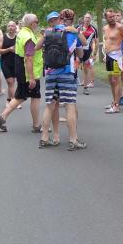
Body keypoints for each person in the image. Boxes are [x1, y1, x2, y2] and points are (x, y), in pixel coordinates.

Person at [38, 9, 86, 150]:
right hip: (67, 72)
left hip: (50, 73)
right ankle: (73, 140)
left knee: (50, 105)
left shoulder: (48, 32)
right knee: (70, 105)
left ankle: (45, 138)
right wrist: (77, 32)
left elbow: (36, 47)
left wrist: (45, 35)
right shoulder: (71, 32)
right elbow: (81, 51)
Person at [0, 13, 42, 132]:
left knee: (20, 96)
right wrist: (31, 77)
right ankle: (36, 125)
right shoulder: (29, 37)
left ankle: (2, 117)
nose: (38, 23)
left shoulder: (21, 33)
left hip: (21, 70)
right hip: (29, 72)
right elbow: (29, 58)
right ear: (32, 23)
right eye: (37, 21)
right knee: (34, 97)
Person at [102, 9, 123, 113]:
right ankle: (114, 102)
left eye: (113, 16)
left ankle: (116, 105)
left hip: (116, 56)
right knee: (111, 81)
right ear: (106, 18)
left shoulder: (120, 27)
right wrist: (105, 54)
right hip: (108, 56)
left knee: (116, 81)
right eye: (110, 17)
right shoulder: (105, 28)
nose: (112, 18)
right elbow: (106, 41)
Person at [0, 21, 18, 106]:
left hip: (15, 62)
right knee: (10, 81)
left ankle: (8, 100)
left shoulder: (18, 37)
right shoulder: (2, 37)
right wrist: (8, 49)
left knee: (12, 82)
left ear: (15, 28)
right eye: (9, 26)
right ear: (7, 28)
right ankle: (14, 101)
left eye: (12, 26)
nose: (10, 27)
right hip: (5, 62)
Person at [79, 13, 98, 92]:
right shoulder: (78, 27)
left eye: (89, 18)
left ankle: (91, 82)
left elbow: (96, 42)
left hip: (88, 51)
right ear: (84, 18)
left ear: (91, 19)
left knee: (89, 66)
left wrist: (94, 54)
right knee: (80, 66)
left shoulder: (93, 29)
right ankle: (84, 81)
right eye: (86, 17)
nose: (87, 19)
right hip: (78, 50)